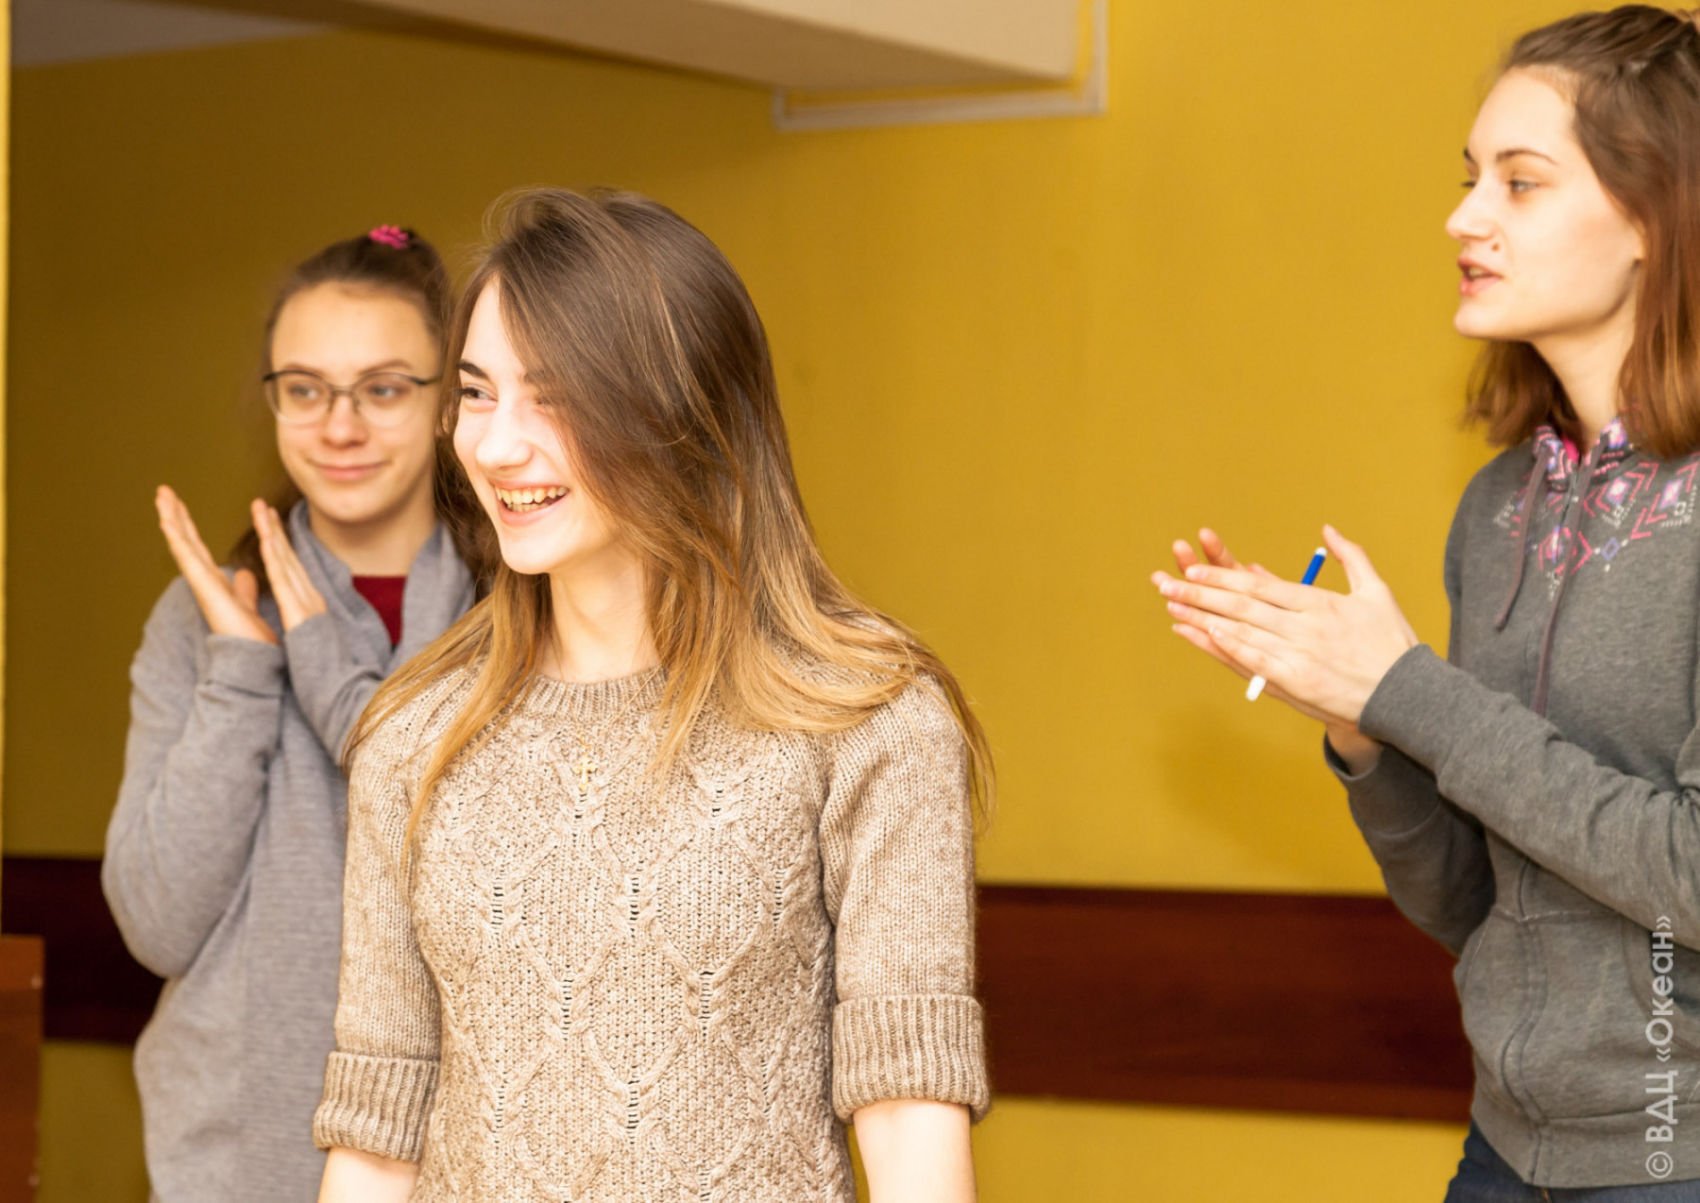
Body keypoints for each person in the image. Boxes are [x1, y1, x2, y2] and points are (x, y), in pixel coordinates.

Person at [311, 188, 991, 1202]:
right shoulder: (413, 735)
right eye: (477, 392)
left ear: (679, 411)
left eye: (551, 397)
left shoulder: (867, 721)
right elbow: (377, 1139)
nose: (494, 445)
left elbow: (907, 1120)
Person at [1156, 5, 1700, 1197]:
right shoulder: (1495, 508)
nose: (1462, 218)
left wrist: (1410, 691)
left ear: (1653, 217)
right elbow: (1469, 902)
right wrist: (1360, 723)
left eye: (1519, 183)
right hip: (1503, 1150)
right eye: (1469, 179)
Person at [104, 227, 480, 1201]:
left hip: (474, 1161)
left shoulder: (520, 617)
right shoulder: (200, 618)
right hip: (234, 1163)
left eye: (383, 389)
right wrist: (240, 673)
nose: (338, 427)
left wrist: (327, 679)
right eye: (305, 389)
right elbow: (154, 924)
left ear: (449, 401)